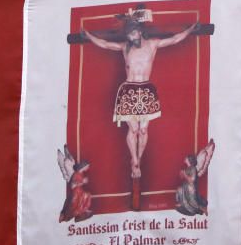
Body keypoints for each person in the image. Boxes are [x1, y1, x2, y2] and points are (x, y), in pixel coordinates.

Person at [81, 17, 198, 179]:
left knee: (143, 130)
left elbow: (174, 39)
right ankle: (134, 160)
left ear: (140, 31)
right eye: (129, 34)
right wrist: (88, 35)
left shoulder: (152, 44)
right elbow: (105, 44)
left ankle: (139, 159)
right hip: (128, 90)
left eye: (134, 33)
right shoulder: (125, 48)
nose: (131, 37)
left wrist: (190, 29)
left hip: (146, 91)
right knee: (134, 129)